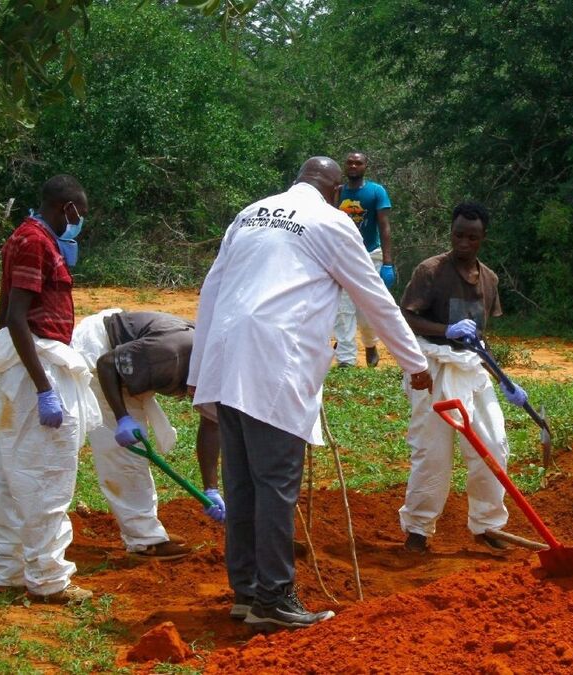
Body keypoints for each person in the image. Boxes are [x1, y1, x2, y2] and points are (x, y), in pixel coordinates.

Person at [189, 156, 433, 630]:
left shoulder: (249, 213)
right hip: (273, 362)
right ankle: (275, 598)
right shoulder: (331, 221)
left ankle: (246, 593)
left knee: (242, 485)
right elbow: (373, 296)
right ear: (334, 189)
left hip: (226, 355)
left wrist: (201, 372)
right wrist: (416, 363)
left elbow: (211, 291)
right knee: (276, 486)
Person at [0, 174, 101, 605]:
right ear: (66, 208)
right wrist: (43, 386)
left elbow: (4, 313)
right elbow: (16, 317)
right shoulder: (35, 242)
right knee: (47, 473)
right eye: (79, 214)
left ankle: (9, 570)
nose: (80, 222)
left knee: (13, 470)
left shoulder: (23, 238)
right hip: (38, 367)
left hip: (25, 365)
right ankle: (48, 580)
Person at [396, 201, 528, 554]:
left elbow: (479, 338)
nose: (464, 243)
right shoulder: (431, 271)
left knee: (494, 443)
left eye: (472, 237)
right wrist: (446, 330)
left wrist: (502, 379)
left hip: (471, 368)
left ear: (483, 238)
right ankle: (418, 530)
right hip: (434, 366)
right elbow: (406, 318)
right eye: (458, 235)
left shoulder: (489, 279)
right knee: (433, 450)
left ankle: (488, 525)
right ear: (451, 233)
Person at [72, 309, 225, 561]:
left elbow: (212, 423)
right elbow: (108, 364)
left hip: (134, 359)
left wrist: (211, 489)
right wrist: (122, 417)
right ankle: (145, 541)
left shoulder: (215, 366)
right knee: (123, 456)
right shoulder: (170, 355)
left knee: (131, 455)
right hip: (100, 353)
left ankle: (144, 531)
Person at [333, 151, 395, 368]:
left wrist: (387, 263)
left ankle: (370, 345)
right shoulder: (337, 192)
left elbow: (384, 226)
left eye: (357, 163)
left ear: (365, 166)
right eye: (349, 162)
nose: (353, 166)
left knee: (367, 310)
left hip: (369, 255)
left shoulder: (376, 191)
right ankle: (346, 360)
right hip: (342, 256)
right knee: (343, 309)